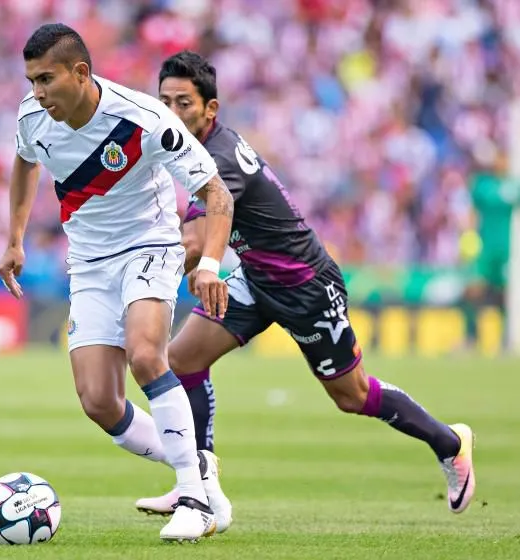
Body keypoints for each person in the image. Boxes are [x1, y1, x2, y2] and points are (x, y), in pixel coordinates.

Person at [135, 51, 476, 518]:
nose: (171, 115)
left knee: (351, 396)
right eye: (164, 103)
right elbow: (199, 231)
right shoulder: (195, 152)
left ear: (210, 110)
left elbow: (193, 239)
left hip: (306, 287)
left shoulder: (219, 157)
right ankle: (197, 483)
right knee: (182, 361)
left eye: (184, 104)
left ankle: (450, 442)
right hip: (255, 281)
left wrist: (140, 268)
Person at [0, 25, 235, 541]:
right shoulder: (33, 117)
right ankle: (197, 468)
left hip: (149, 247)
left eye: (46, 79)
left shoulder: (146, 120)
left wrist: (211, 265)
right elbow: (24, 161)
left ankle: (193, 497)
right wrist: (15, 238)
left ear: (81, 73)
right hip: (88, 263)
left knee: (147, 356)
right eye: (31, 80)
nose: (36, 92)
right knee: (100, 401)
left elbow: (217, 194)